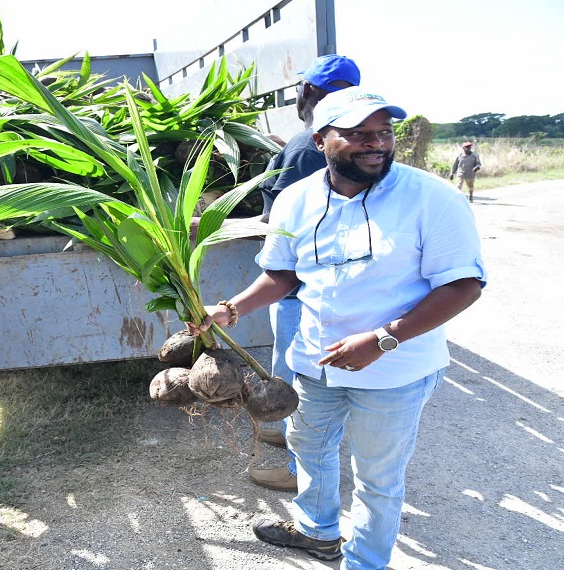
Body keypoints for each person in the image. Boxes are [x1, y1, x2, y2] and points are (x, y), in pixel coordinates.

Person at [189, 87, 486, 568]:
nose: (376, 143)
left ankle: (366, 562)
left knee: (376, 478)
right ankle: (318, 532)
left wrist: (383, 339)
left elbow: (465, 285)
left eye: (384, 132)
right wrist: (231, 308)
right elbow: (284, 273)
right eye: (357, 134)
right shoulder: (295, 199)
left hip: (395, 369)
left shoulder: (432, 198)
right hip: (314, 360)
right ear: (320, 137)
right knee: (309, 448)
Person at [251, 54, 361, 492]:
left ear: (309, 93)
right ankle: (281, 434)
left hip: (299, 291)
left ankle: (299, 473)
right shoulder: (353, 146)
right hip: (322, 286)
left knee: (301, 381)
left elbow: (284, 223)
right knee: (305, 380)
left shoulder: (304, 147)